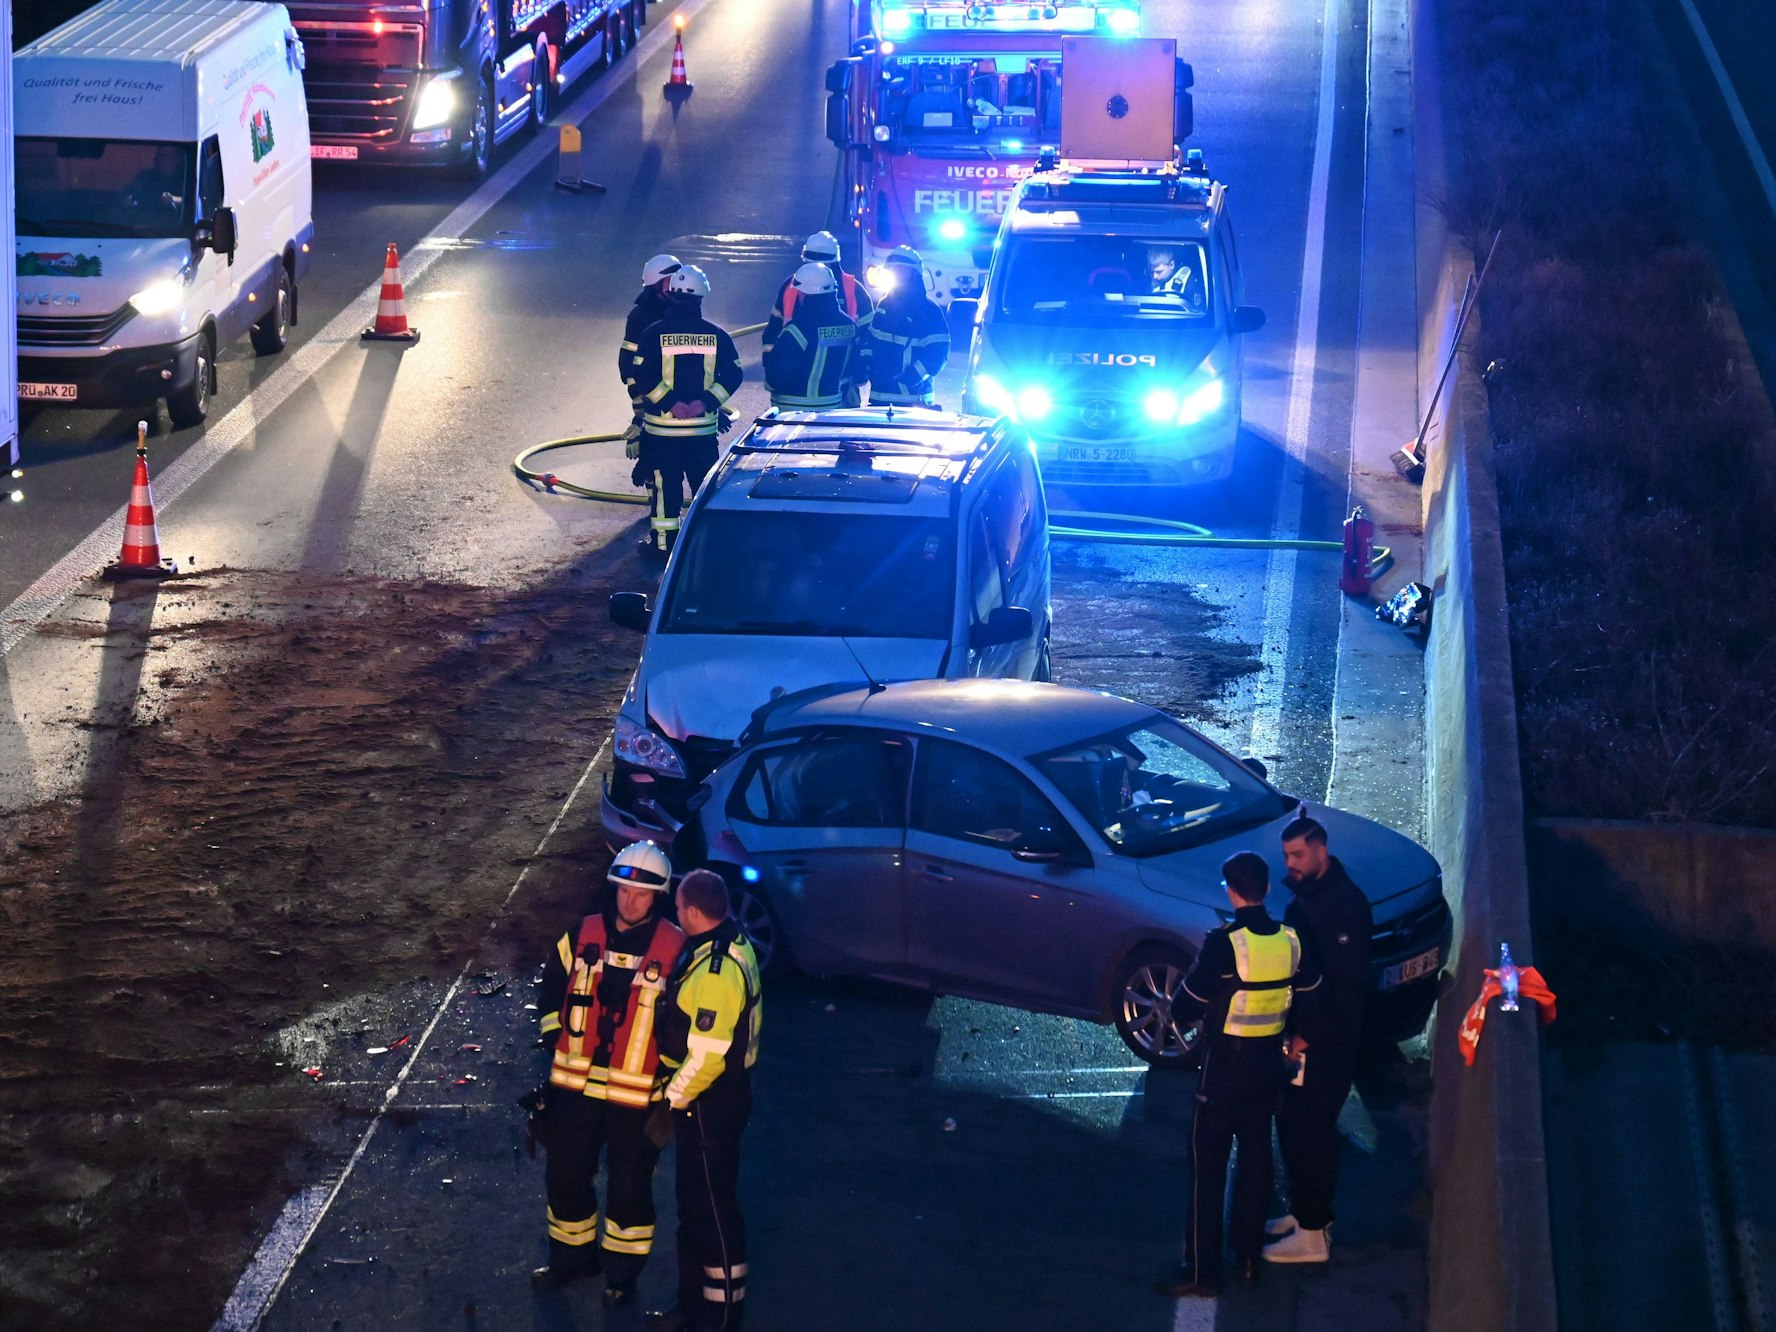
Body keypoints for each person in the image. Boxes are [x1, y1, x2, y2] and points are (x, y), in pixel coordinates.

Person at [1155, 851, 1320, 1299]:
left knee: (1206, 1169)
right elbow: (1310, 995)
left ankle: (1201, 1273)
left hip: (1224, 1068)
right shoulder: (1290, 940)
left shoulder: (1225, 943)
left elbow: (1186, 1005)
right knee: (1256, 1162)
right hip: (1268, 1067)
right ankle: (1248, 1259)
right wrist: (1297, 1037)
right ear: (1266, 889)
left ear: (1230, 891)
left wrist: (1188, 1009)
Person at [532, 841, 687, 1305]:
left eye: (640, 894)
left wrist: (670, 1088)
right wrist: (554, 1039)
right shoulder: (581, 934)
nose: (629, 900)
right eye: (622, 890)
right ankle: (571, 1261)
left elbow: (683, 1025)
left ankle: (622, 1277)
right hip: (574, 1091)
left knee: (630, 1191)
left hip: (635, 1100)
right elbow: (549, 995)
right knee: (564, 1178)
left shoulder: (677, 949)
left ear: (657, 896)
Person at [645, 869, 763, 1332]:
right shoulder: (730, 946)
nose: (676, 914)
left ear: (693, 912)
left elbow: (707, 1059)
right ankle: (694, 1305)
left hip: (710, 1103)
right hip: (716, 1100)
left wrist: (671, 1101)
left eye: (678, 908)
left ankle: (722, 1314)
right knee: (696, 1204)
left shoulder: (716, 970)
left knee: (711, 1209)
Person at [1263, 813, 1374, 1264]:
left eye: (1298, 854)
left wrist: (1306, 1036)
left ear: (1321, 852)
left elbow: (1345, 988)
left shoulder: (1342, 906)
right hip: (1305, 1039)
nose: (1290, 863)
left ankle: (1313, 1235)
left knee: (1311, 1131)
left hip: (1326, 1045)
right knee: (1292, 1125)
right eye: (1287, 855)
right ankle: (1308, 1215)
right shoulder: (1308, 899)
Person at [628, 265, 743, 555]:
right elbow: (733, 375)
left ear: (671, 294)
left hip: (661, 432)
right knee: (704, 489)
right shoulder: (716, 335)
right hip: (701, 433)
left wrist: (670, 404)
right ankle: (707, 549)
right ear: (701, 297)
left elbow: (642, 376)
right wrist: (705, 402)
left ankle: (664, 547)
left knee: (666, 489)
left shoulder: (653, 334)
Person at [763, 231, 875, 403]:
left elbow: (868, 339)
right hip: (829, 395)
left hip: (830, 392)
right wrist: (771, 365)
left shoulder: (854, 290)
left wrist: (773, 374)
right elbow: (772, 333)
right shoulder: (792, 286)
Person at [762, 263, 858, 409]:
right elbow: (856, 369)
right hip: (833, 407)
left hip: (794, 410)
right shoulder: (850, 325)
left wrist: (770, 381)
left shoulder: (798, 329)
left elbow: (776, 376)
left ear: (806, 294)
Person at [867, 246, 950, 408]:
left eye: (901, 271)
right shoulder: (884, 305)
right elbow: (871, 340)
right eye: (892, 270)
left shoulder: (929, 310)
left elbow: (937, 354)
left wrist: (911, 378)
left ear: (914, 274)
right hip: (879, 399)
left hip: (914, 400)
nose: (896, 275)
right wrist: (866, 363)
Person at [621, 254, 683, 468]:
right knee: (656, 467)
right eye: (671, 280)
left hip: (682, 397)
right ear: (656, 284)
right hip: (654, 397)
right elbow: (628, 362)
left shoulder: (683, 310)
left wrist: (710, 406)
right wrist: (638, 406)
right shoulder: (640, 316)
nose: (677, 285)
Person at [126, 145, 187, 219]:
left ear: (178, 158)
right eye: (160, 155)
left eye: (167, 156)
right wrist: (128, 201)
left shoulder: (186, 178)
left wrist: (173, 199)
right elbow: (130, 195)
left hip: (175, 226)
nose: (163, 159)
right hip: (145, 223)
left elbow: (196, 201)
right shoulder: (145, 177)